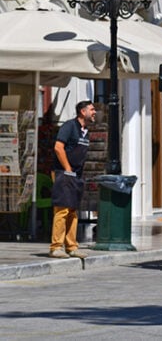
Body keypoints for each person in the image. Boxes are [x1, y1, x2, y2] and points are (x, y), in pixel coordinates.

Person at [49, 100, 96, 259]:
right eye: (92, 109)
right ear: (83, 112)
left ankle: (71, 246)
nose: (94, 112)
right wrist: (68, 169)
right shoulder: (69, 126)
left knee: (73, 211)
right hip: (63, 173)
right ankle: (56, 247)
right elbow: (58, 147)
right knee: (62, 210)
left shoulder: (85, 131)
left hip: (76, 175)